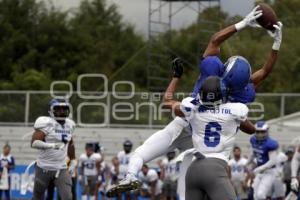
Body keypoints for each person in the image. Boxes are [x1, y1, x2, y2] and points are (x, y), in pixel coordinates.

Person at [106, 5, 282, 197]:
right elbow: (264, 73)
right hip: (203, 146)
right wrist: (276, 45)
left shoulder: (211, 72)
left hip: (187, 120)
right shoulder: (238, 102)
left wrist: (242, 24)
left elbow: (215, 40)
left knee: (141, 153)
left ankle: (131, 174)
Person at [31, 98, 77, 200]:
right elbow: (34, 143)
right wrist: (51, 145)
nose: (62, 111)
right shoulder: (46, 123)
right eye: (58, 109)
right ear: (51, 110)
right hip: (44, 167)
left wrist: (73, 159)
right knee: (37, 197)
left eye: (64, 109)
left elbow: (70, 143)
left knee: (67, 196)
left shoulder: (70, 124)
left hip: (61, 167)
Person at [246, 121, 279, 200]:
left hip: (269, 172)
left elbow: (272, 162)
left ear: (267, 131)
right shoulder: (253, 140)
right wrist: (247, 163)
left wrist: (259, 169)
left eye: (262, 132)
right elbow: (253, 153)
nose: (260, 134)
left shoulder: (270, 143)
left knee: (261, 195)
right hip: (260, 172)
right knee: (255, 196)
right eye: (258, 131)